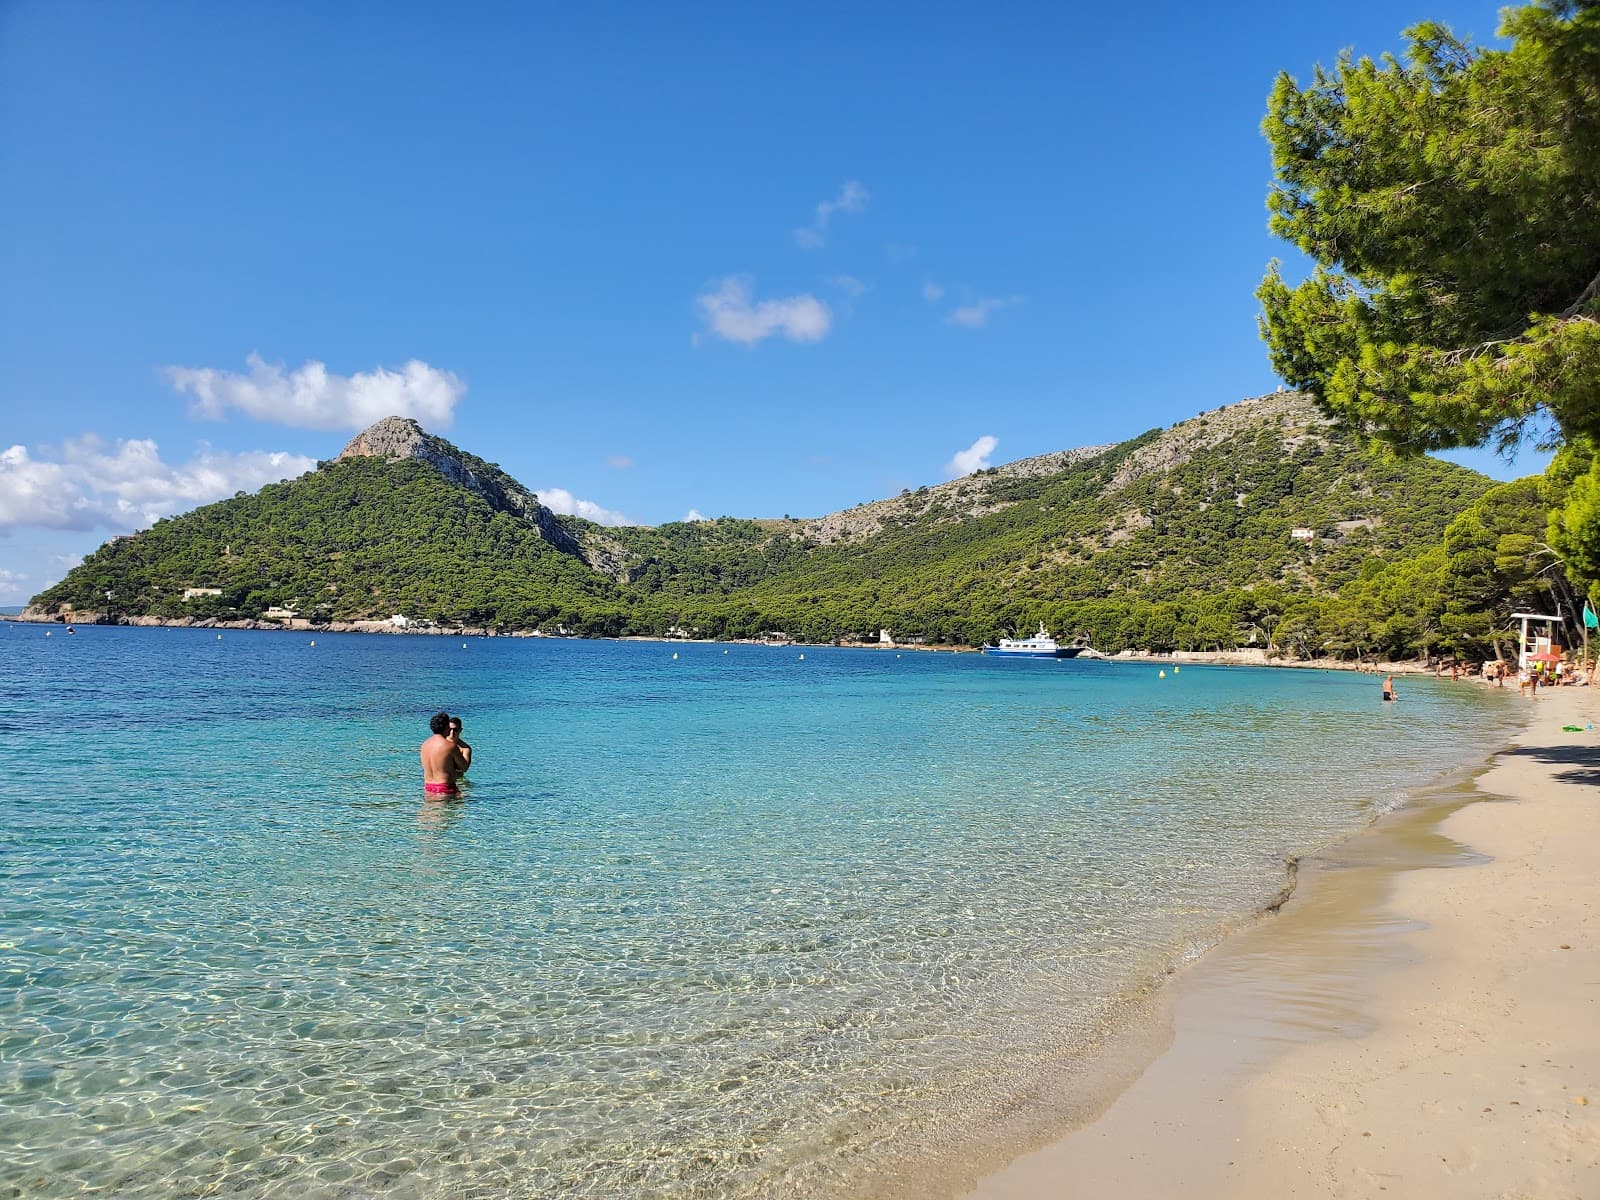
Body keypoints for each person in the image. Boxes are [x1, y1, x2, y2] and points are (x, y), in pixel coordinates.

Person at [420, 711, 468, 795]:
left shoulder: (425, 745)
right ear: (446, 727)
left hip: (428, 787)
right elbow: (464, 767)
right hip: (446, 788)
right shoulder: (450, 746)